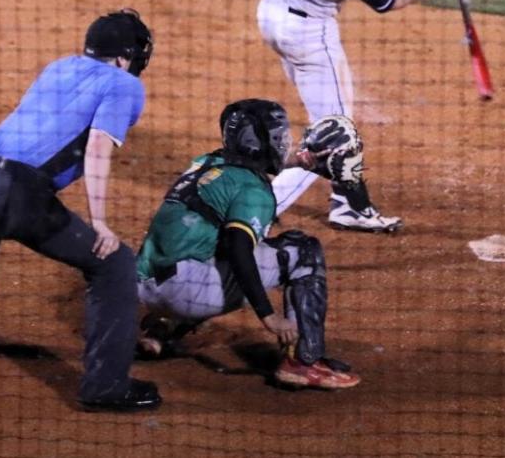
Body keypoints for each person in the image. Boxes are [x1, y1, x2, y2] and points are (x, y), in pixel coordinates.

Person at [0, 9, 162, 413]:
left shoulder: (60, 67)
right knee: (115, 264)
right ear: (125, 58)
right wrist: (100, 223)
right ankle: (105, 386)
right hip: (11, 193)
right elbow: (97, 150)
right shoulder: (123, 84)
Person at [257, 0, 471, 232]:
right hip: (309, 37)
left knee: (329, 119)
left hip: (271, 14)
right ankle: (259, 205)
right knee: (335, 137)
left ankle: (348, 203)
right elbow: (389, 1)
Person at [135, 99, 361, 390]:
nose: (285, 142)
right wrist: (269, 317)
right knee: (301, 250)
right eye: (279, 136)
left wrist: (304, 159)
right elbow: (238, 251)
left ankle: (161, 330)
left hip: (144, 284)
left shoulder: (206, 163)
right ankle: (304, 362)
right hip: (187, 293)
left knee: (216, 240)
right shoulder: (253, 189)